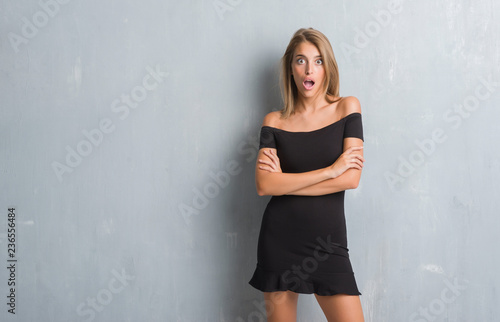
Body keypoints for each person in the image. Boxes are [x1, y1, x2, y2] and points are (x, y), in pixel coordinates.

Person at [248, 28, 365, 321]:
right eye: (300, 60)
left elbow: (350, 179)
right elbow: (264, 185)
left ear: (327, 67)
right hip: (280, 240)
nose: (309, 69)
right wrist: (329, 171)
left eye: (318, 61)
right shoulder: (274, 121)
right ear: (291, 67)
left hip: (329, 244)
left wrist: (284, 184)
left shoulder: (347, 108)